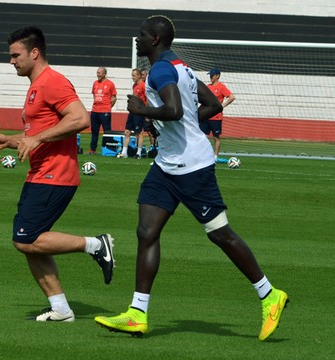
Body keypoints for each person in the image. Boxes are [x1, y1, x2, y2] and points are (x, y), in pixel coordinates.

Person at [94, 16, 287, 341]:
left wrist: (143, 111)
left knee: (219, 234)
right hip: (167, 164)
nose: (137, 40)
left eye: (141, 35)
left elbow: (174, 110)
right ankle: (137, 314)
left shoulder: (161, 70)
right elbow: (210, 104)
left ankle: (270, 295)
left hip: (192, 166)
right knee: (146, 230)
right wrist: (184, 129)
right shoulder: (180, 66)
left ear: (155, 39)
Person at [0, 26, 115, 322]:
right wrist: (11, 141)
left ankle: (95, 244)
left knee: (25, 239)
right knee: (29, 242)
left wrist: (36, 140)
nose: (11, 61)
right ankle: (61, 309)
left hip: (55, 175)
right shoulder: (36, 86)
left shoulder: (51, 82)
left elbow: (81, 118)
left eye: (15, 55)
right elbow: (38, 133)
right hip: (40, 173)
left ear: (34, 53)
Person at [201, 67, 235, 162]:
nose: (211, 77)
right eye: (210, 75)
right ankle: (203, 154)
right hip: (206, 116)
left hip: (216, 117)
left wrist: (223, 105)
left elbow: (232, 97)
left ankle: (215, 157)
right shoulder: (208, 87)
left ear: (217, 76)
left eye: (212, 75)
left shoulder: (221, 87)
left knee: (216, 138)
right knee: (201, 136)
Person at [88, 67, 117, 155]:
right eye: (97, 73)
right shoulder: (95, 83)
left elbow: (114, 98)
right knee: (94, 131)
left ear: (104, 74)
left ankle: (109, 149)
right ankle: (92, 149)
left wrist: (107, 107)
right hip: (95, 111)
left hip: (105, 111)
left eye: (100, 73)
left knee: (107, 131)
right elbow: (94, 95)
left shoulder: (110, 84)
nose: (98, 74)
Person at [121, 68, 146, 158]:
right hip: (132, 112)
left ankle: (139, 153)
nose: (132, 77)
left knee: (139, 132)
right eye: (132, 75)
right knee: (127, 131)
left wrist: (146, 112)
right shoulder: (134, 86)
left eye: (134, 75)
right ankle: (124, 152)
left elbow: (147, 99)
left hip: (139, 112)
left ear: (139, 76)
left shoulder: (144, 86)